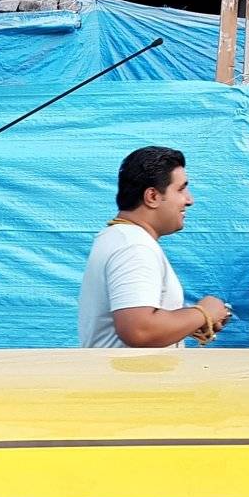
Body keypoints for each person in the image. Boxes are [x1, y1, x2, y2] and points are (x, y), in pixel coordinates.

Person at [77, 145, 232, 348]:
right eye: (181, 189)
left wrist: (189, 322)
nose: (189, 200)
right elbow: (140, 330)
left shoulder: (120, 238)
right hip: (128, 370)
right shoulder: (133, 247)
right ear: (152, 197)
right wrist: (203, 313)